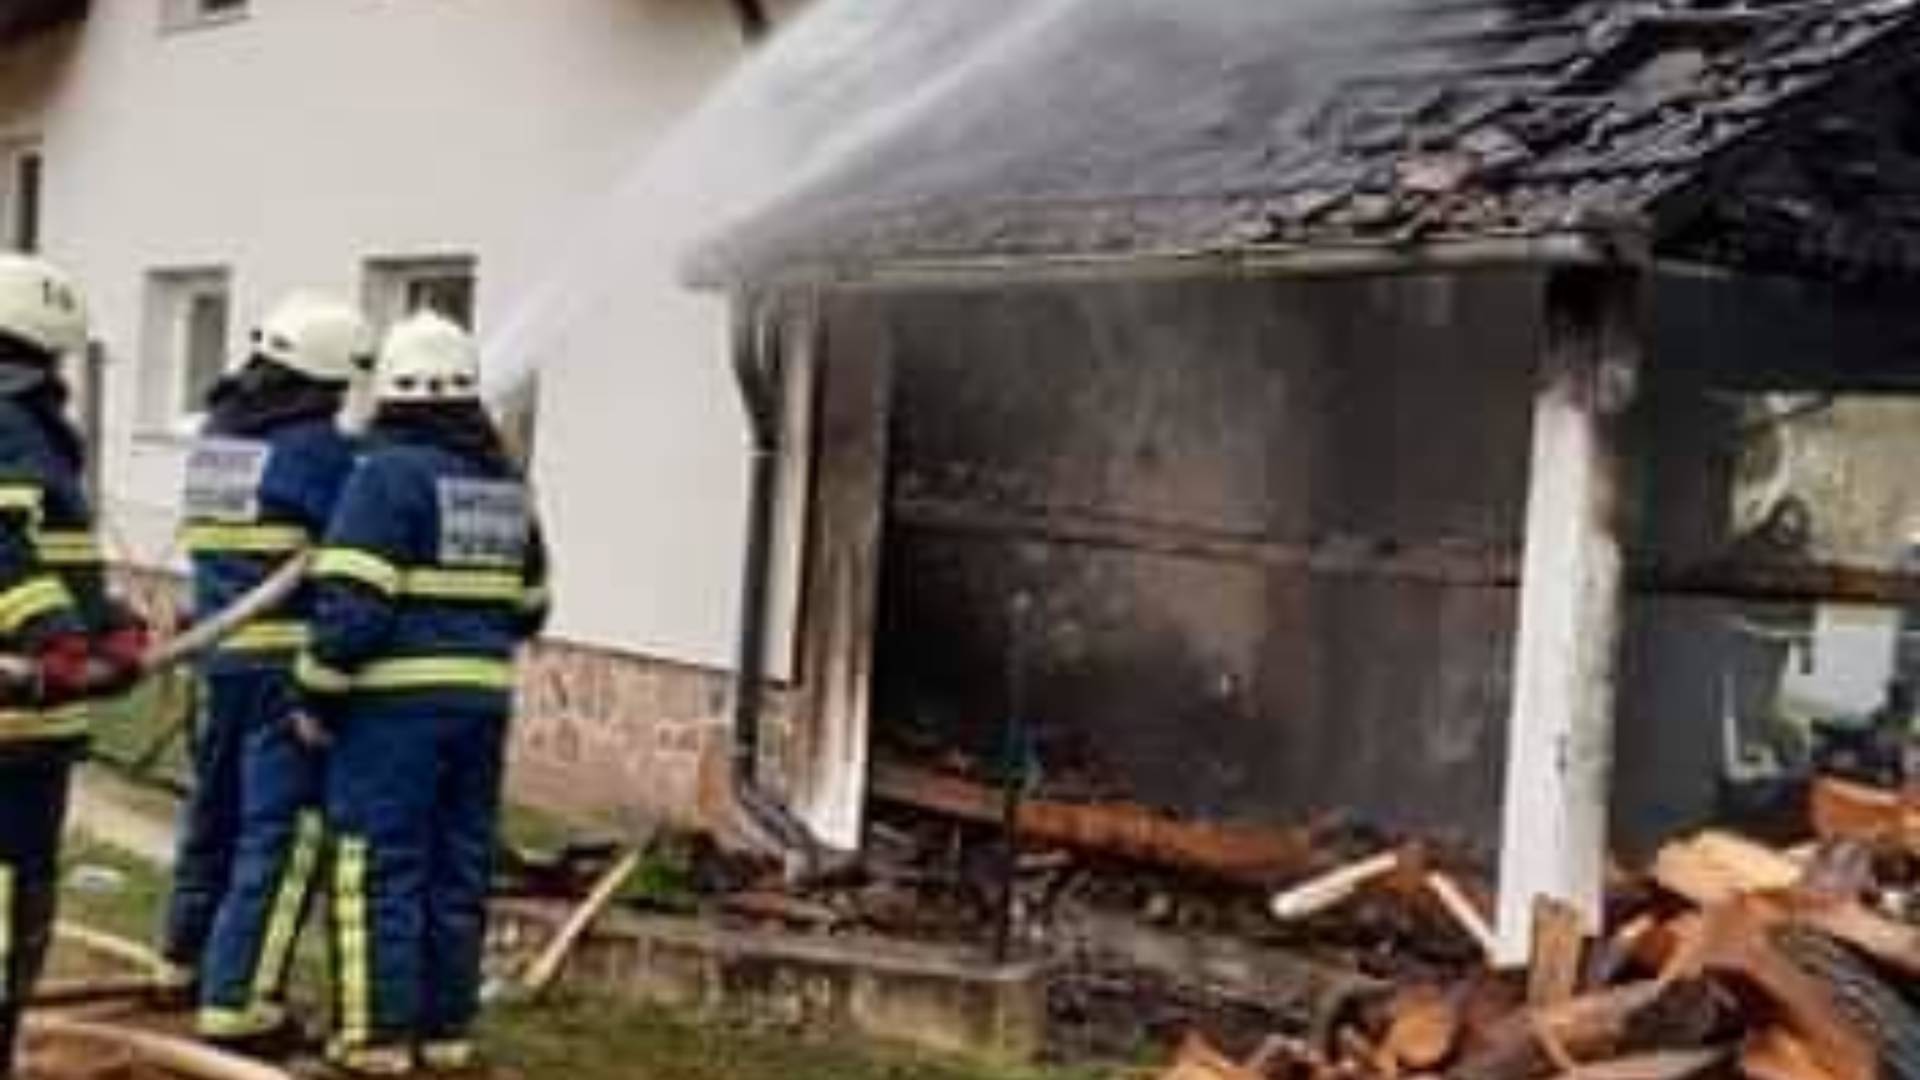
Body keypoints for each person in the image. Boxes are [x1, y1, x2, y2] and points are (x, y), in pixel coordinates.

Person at [294, 312, 548, 1076]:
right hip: (481, 708)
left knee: (376, 868)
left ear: (392, 392)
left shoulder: (385, 476)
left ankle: (374, 1041)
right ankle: (444, 1036)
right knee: (456, 868)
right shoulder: (503, 484)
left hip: (391, 713)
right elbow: (532, 607)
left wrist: (315, 697)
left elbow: (353, 613)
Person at [161, 292, 372, 1047]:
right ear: (322, 379)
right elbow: (356, 535)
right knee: (277, 835)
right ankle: (240, 1000)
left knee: (212, 814)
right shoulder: (315, 450)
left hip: (220, 661)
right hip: (284, 670)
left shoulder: (218, 438)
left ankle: (181, 962)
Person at [0, 254, 147, 1076]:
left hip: (32, 725)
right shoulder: (8, 419)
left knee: (22, 903)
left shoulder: (26, 426)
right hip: (12, 725)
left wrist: (108, 625)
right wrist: (54, 638)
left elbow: (54, 558)